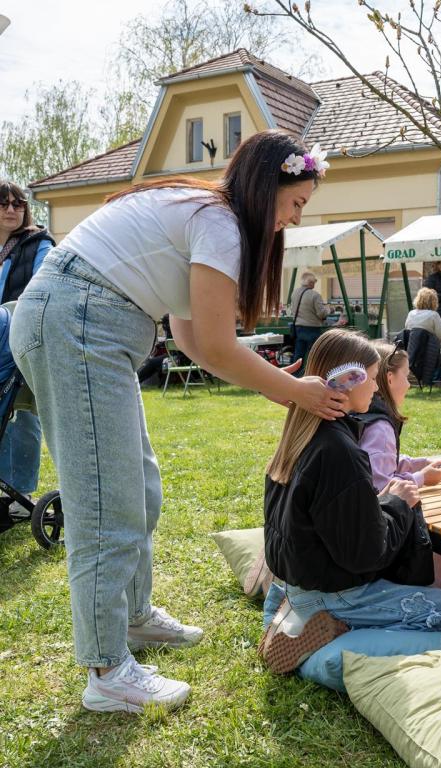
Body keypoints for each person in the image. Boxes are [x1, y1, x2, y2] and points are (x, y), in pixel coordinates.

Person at [10, 131, 345, 714]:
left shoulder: (205, 215)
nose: (292, 220)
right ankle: (107, 670)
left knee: (139, 488)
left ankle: (135, 618)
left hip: (91, 325)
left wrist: (277, 388)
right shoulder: (219, 223)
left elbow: (192, 338)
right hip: (80, 324)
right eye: (295, 204)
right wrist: (294, 391)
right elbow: (215, 347)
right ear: (269, 187)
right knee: (105, 505)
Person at [260, 329, 441, 673]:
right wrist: (398, 503)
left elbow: (338, 522)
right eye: (371, 378)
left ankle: (291, 613)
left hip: (298, 581)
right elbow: (365, 554)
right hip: (335, 591)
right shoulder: (339, 451)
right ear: (347, 381)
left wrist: (384, 501)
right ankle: (326, 647)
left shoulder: (301, 433)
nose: (376, 387)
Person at [0, 180, 53, 520]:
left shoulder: (38, 244)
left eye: (17, 204)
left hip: (21, 332)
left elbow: (44, 286)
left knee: (22, 416)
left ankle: (22, 492)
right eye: (3, 204)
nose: (11, 210)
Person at [355, 342, 441, 491]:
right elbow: (380, 487)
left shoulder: (363, 413)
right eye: (406, 376)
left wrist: (420, 464)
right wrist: (422, 478)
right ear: (390, 378)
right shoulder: (380, 429)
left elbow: (381, 462)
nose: (408, 385)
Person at [405, 287, 441, 389]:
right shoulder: (433, 315)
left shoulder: (411, 314)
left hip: (413, 352)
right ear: (434, 301)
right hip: (431, 352)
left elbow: (408, 331)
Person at [290, 271, 328, 374]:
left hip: (298, 327)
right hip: (312, 328)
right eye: (314, 282)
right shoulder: (315, 295)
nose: (315, 284)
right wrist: (328, 311)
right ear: (310, 282)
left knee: (299, 355)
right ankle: (312, 374)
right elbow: (321, 314)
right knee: (314, 355)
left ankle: (295, 376)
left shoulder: (294, 293)